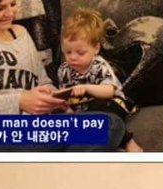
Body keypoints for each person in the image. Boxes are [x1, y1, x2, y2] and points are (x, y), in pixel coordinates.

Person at [0, 0, 125, 151]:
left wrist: (54, 98)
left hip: (28, 129)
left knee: (108, 124)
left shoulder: (21, 34)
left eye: (13, 4)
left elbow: (43, 82)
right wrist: (19, 101)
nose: (10, 13)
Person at [58, 8, 142, 153]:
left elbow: (109, 91)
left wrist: (86, 88)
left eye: (80, 53)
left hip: (109, 103)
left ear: (96, 48)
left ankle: (127, 139)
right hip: (82, 111)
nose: (73, 57)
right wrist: (64, 106)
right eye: (68, 52)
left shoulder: (99, 65)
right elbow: (65, 96)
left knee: (102, 109)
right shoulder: (64, 70)